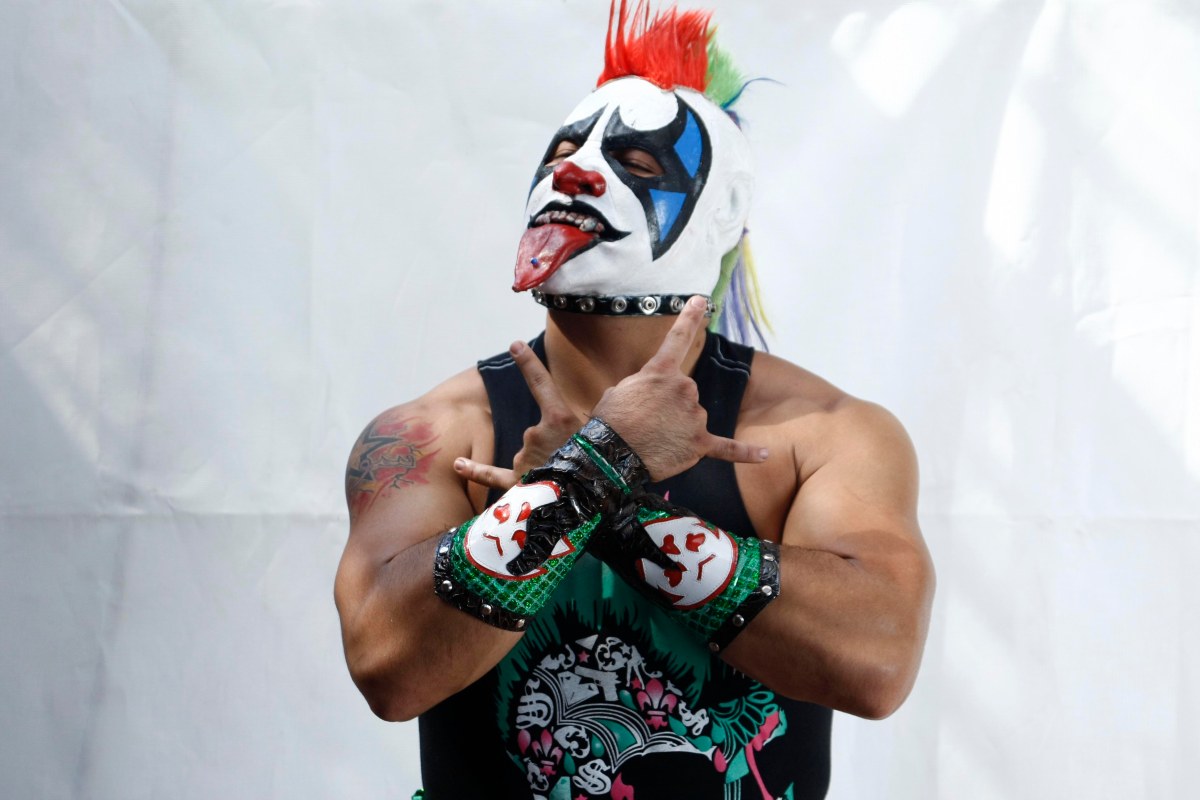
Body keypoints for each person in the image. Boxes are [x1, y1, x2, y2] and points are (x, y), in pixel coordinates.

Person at [334, 3, 935, 798]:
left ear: (723, 212)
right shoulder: (434, 432)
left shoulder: (818, 435)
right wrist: (598, 470)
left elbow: (876, 663)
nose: (573, 174)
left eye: (639, 163)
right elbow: (389, 669)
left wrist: (591, 489)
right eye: (560, 153)